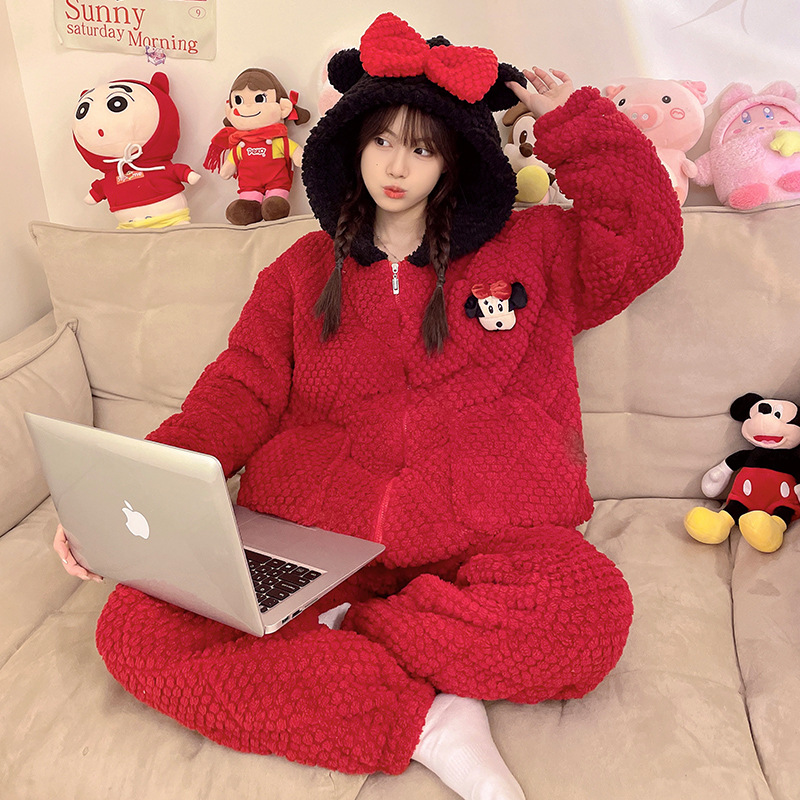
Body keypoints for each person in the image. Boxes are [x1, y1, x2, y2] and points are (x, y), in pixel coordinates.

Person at [55, 12, 683, 800]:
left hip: (490, 535)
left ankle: (343, 641)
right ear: (352, 143)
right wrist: (123, 498)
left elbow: (645, 239)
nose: (396, 164)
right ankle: (426, 724)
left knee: (587, 618)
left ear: (453, 159)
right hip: (313, 539)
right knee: (133, 627)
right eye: (382, 139)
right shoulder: (299, 271)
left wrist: (575, 125)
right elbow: (236, 394)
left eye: (421, 148)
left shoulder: (535, 249)